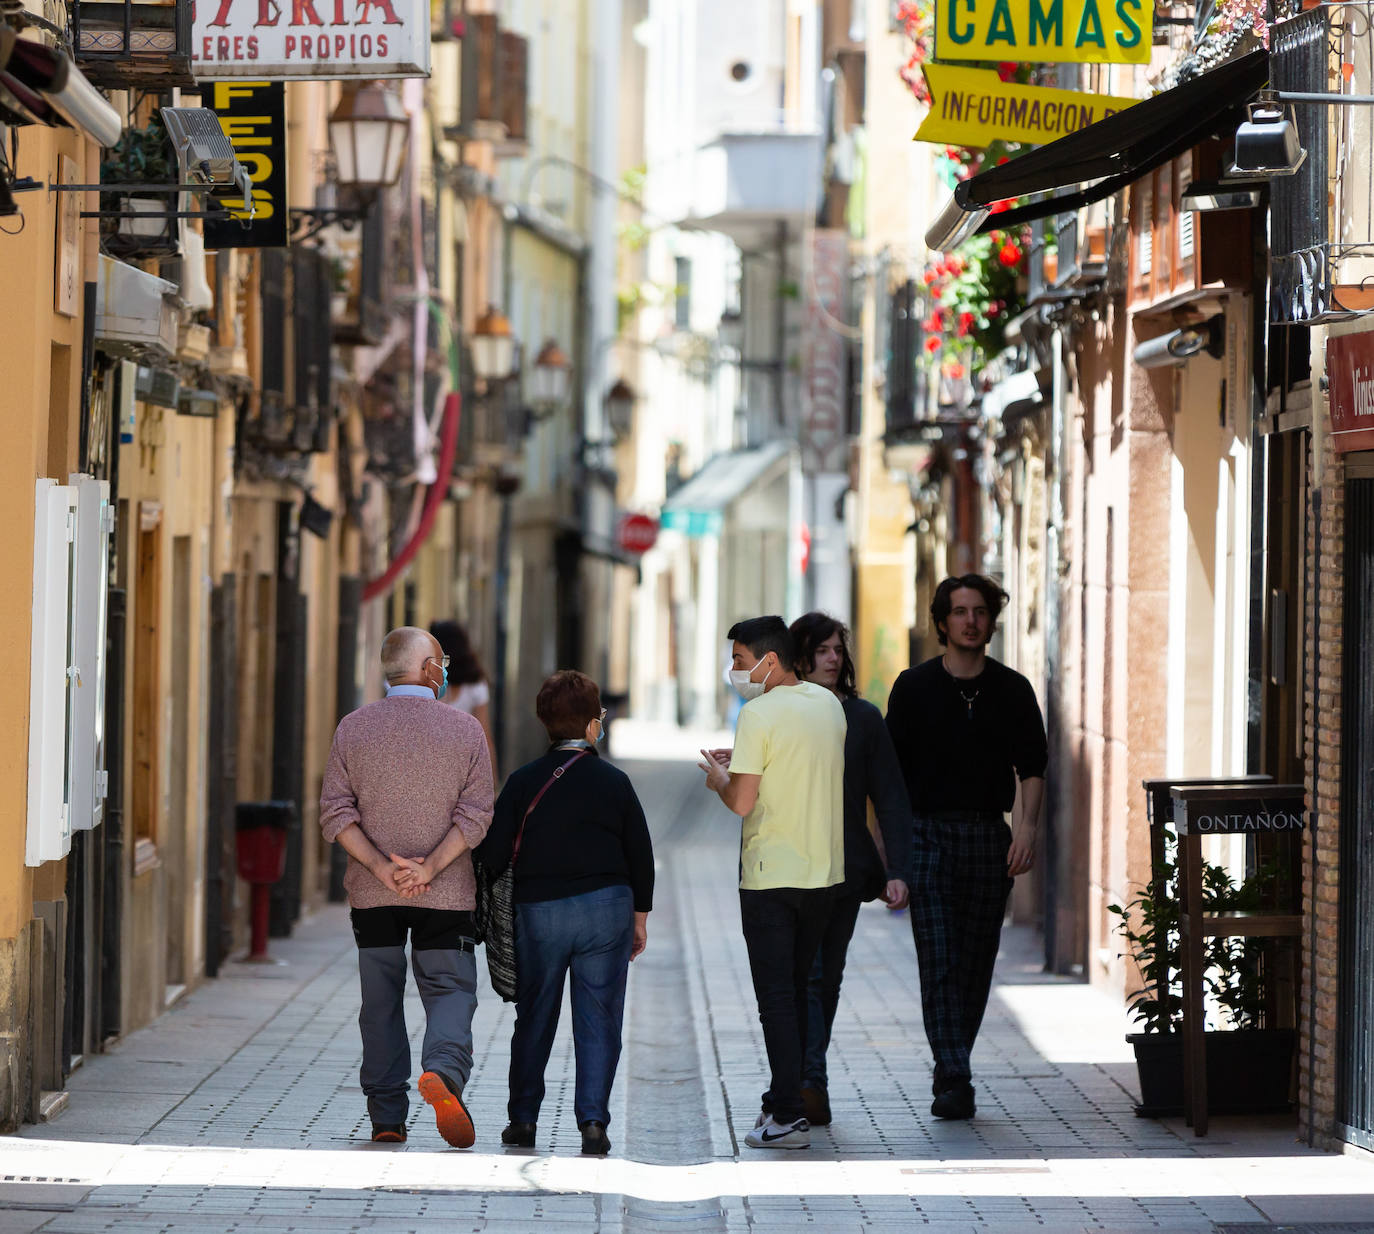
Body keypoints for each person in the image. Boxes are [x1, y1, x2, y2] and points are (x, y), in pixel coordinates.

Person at [318, 626, 494, 1148]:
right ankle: (442, 1070)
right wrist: (431, 868)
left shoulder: (353, 728)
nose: (445, 670)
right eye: (439, 661)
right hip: (446, 894)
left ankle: (387, 1116)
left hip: (374, 897)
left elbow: (334, 810)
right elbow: (478, 813)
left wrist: (377, 867)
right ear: (425, 669)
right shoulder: (465, 731)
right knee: (450, 990)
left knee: (380, 1001)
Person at [885, 575, 1047, 1121]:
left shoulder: (1013, 690)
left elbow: (1033, 770)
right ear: (941, 622)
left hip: (988, 836)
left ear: (991, 621)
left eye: (980, 611)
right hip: (928, 834)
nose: (971, 620)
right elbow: (891, 778)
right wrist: (892, 854)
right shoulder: (912, 688)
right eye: (960, 611)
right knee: (938, 958)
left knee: (976, 964)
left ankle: (952, 1061)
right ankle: (954, 1074)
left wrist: (1025, 831)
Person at [476, 670, 654, 1157]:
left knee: (535, 1015)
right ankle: (593, 1122)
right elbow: (640, 852)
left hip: (542, 912)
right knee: (599, 1017)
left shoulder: (522, 782)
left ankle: (524, 1120)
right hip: (607, 909)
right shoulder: (615, 782)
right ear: (594, 724)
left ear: (544, 722)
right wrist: (638, 917)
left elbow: (492, 854)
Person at [699, 616, 846, 1150]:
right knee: (801, 991)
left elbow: (742, 802)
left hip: (769, 878)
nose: (735, 671)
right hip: (824, 876)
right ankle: (787, 1094)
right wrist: (740, 764)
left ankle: (786, 1114)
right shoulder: (827, 705)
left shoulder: (756, 713)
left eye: (740, 660)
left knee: (775, 998)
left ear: (770, 660)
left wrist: (721, 777)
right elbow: (797, 766)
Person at [789, 612, 912, 1128]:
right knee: (802, 977)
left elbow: (889, 796)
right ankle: (803, 1078)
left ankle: (808, 1080)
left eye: (839, 649)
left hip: (845, 868)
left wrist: (897, 868)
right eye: (822, 650)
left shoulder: (863, 718)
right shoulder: (782, 714)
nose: (833, 658)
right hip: (789, 867)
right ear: (801, 657)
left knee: (825, 976)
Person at [430, 619, 498, 777]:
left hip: (432, 761)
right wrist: (492, 779)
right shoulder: (476, 683)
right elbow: (485, 736)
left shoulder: (429, 680)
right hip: (464, 763)